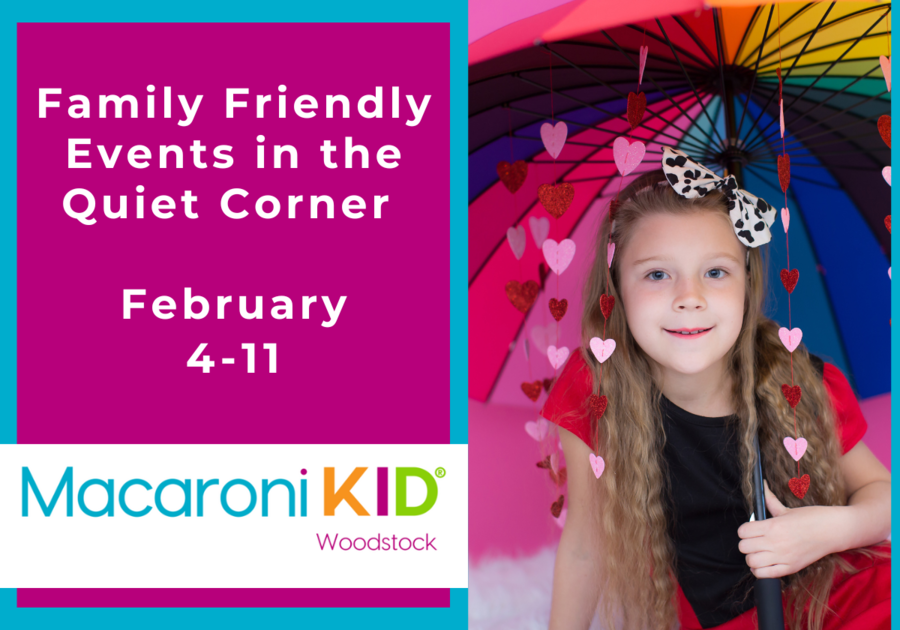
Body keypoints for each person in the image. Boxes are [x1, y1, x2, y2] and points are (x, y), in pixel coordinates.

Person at [540, 148, 891, 630]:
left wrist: (830, 530)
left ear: (748, 284)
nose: (690, 298)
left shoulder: (800, 381)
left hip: (841, 598)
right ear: (616, 289)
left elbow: (882, 494)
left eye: (716, 272)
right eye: (658, 274)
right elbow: (586, 545)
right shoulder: (596, 387)